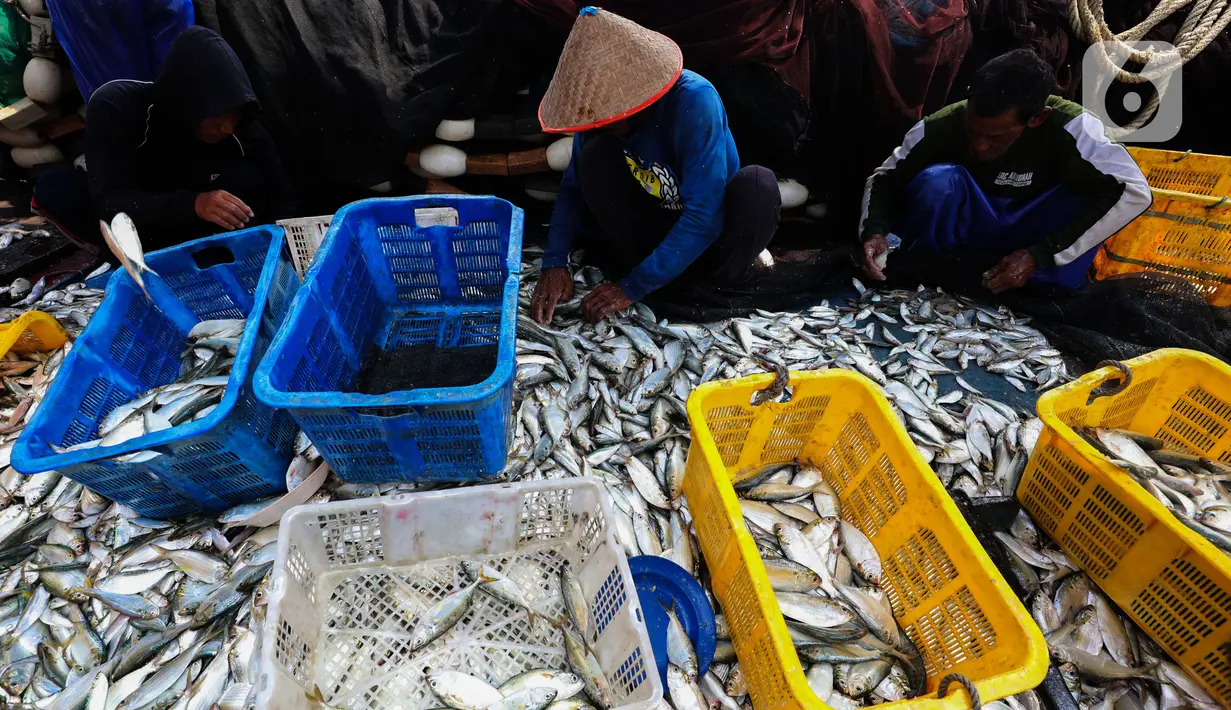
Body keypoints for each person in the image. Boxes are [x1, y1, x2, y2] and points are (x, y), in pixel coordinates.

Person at [529, 7, 781, 325]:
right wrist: (554, 262)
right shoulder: (594, 122)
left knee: (758, 185)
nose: (597, 124)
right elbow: (573, 187)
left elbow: (704, 216)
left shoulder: (693, 101)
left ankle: (715, 282)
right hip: (652, 230)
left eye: (607, 117)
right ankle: (654, 274)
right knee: (592, 158)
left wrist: (631, 288)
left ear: (633, 103)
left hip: (712, 233)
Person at [857, 48, 1150, 293]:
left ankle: (1036, 283)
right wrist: (874, 231)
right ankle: (937, 270)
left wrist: (1040, 255)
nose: (981, 147)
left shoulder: (1076, 128)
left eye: (996, 137)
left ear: (1037, 118)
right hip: (977, 227)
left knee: (1091, 194)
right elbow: (885, 177)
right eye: (974, 132)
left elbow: (1134, 191)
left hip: (1035, 230)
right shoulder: (944, 123)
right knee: (937, 182)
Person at [32, 26, 294, 252]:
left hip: (200, 205)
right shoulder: (117, 106)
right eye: (217, 115)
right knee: (56, 190)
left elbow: (282, 193)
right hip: (148, 203)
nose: (227, 127)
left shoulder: (242, 127)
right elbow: (110, 202)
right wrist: (193, 204)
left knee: (248, 180)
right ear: (190, 103)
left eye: (234, 115)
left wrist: (271, 243)